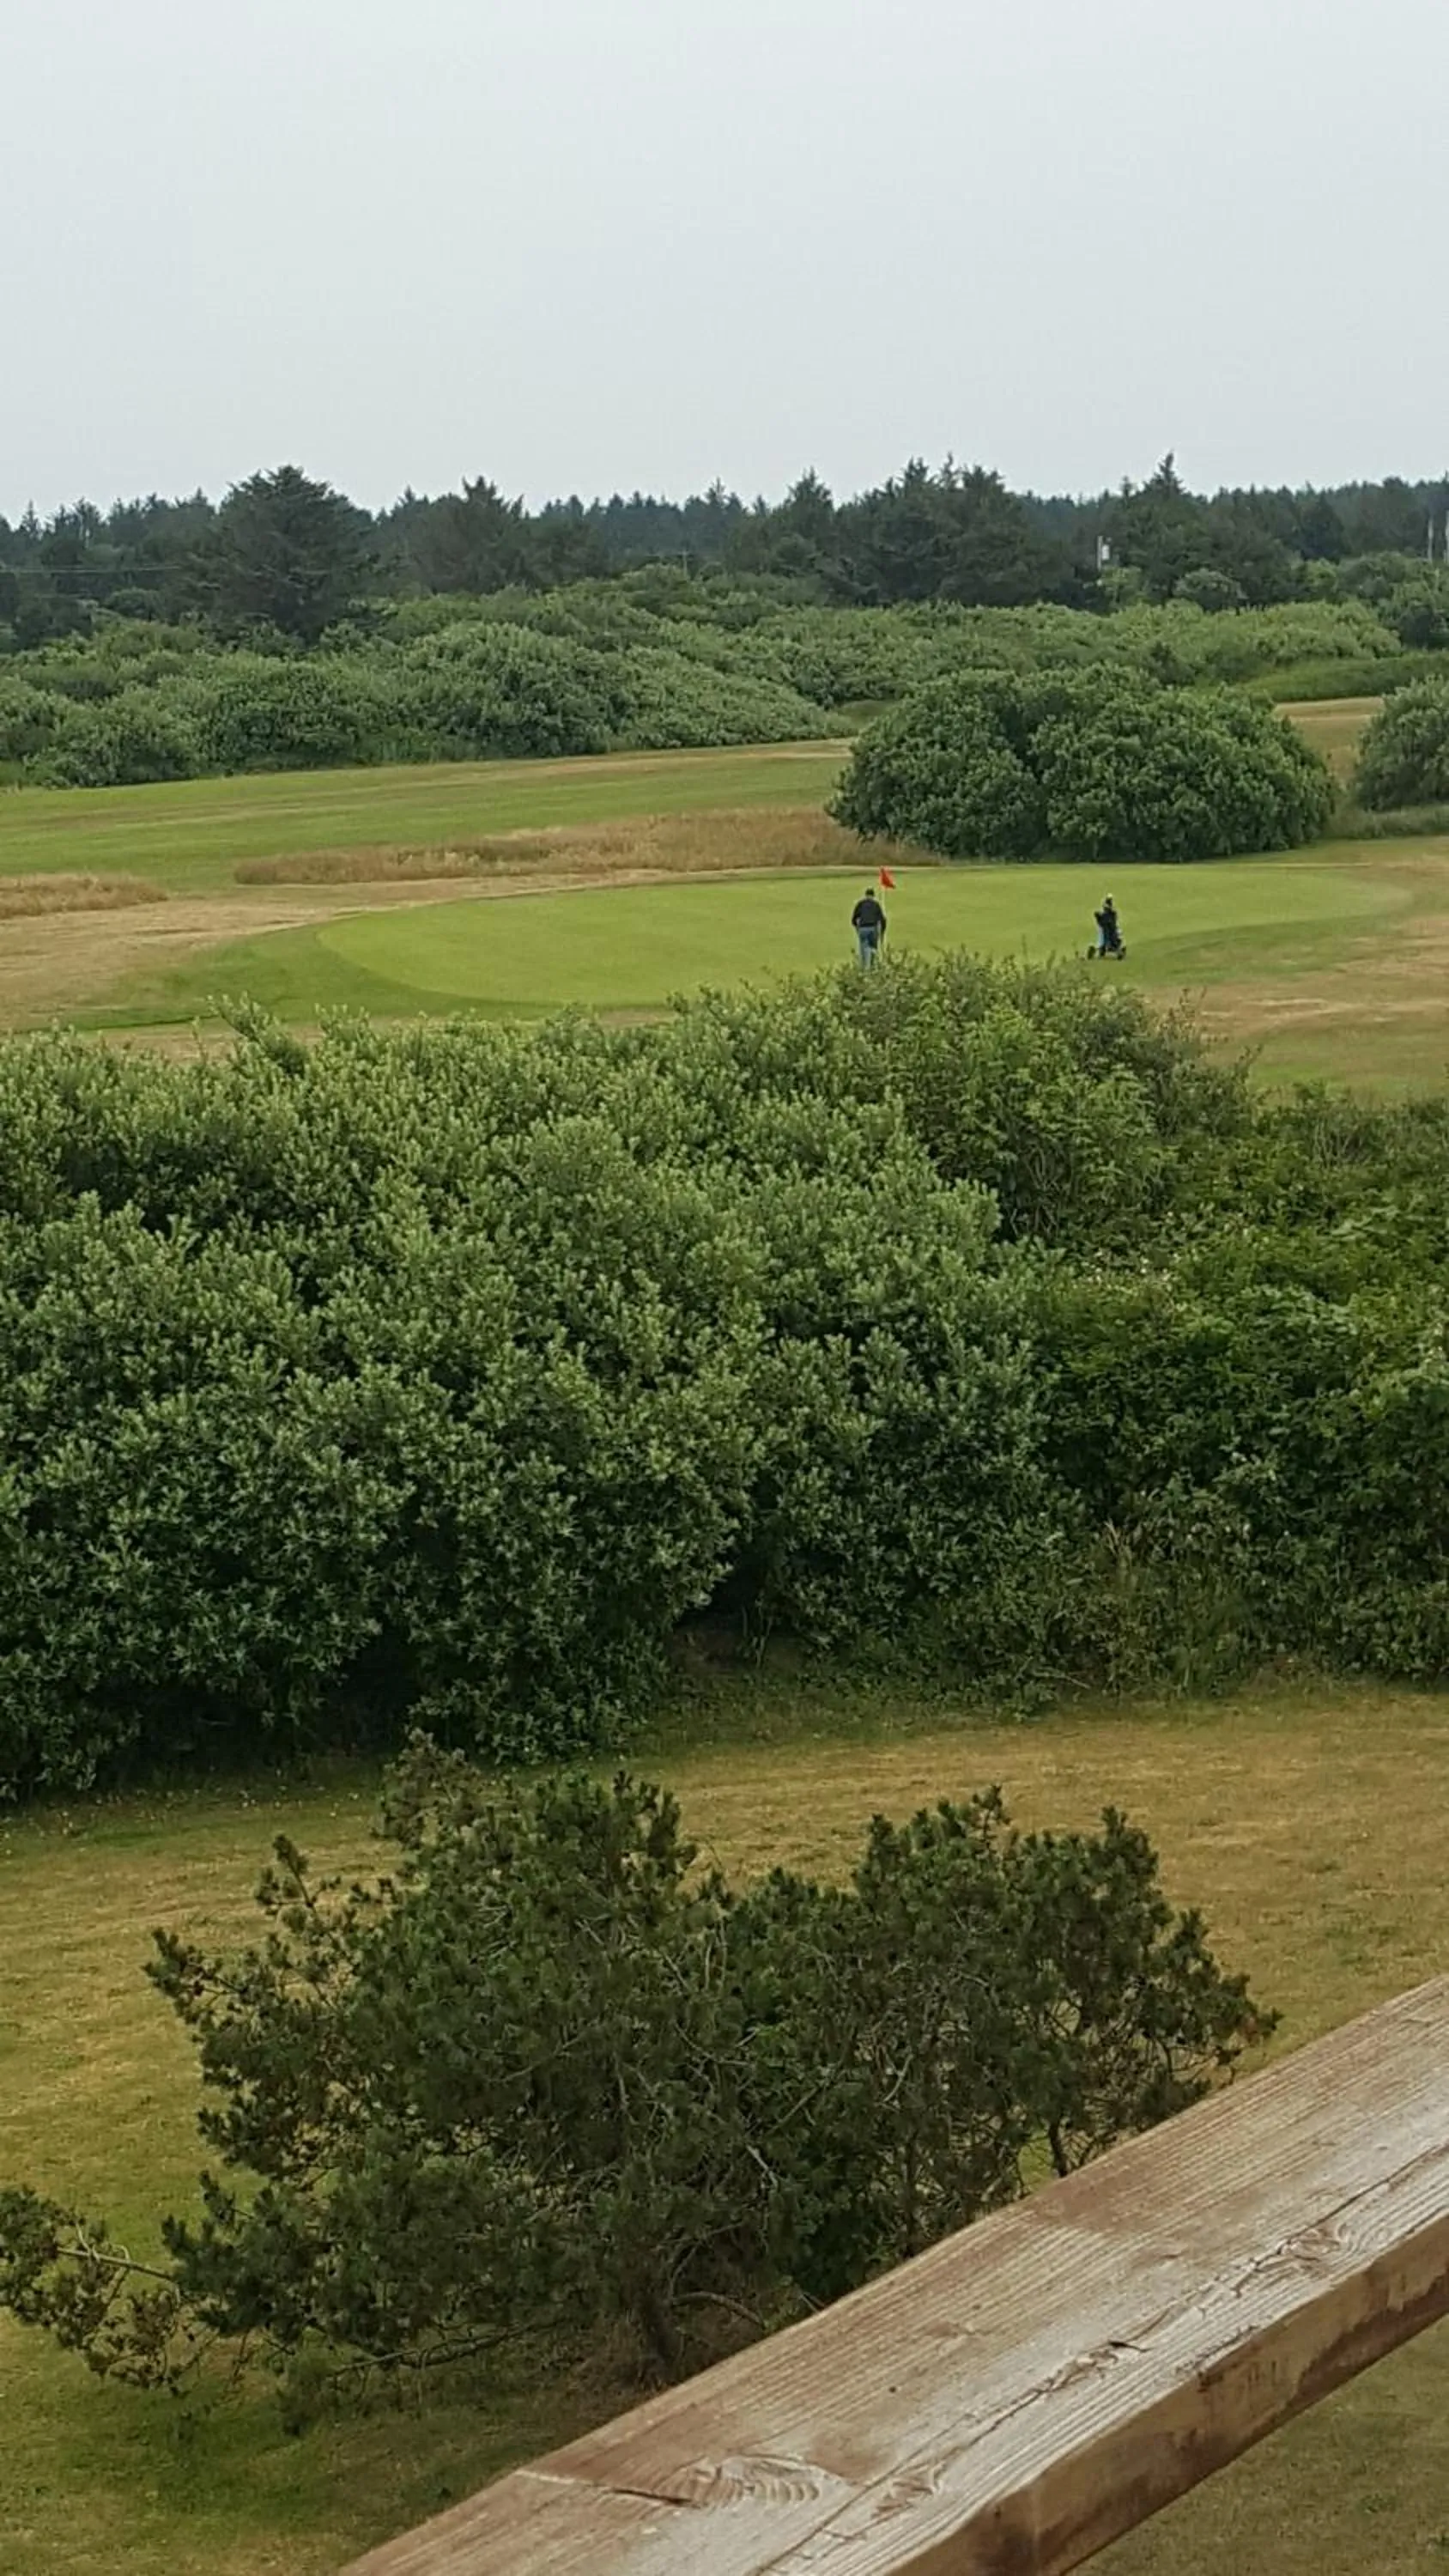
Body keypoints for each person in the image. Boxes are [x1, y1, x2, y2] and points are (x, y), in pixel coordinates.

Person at [852, 884, 887, 967]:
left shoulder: (860, 904)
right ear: (873, 895)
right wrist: (882, 932)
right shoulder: (876, 904)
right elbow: (882, 919)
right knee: (873, 949)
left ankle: (864, 968)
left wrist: (857, 928)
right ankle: (872, 967)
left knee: (863, 950)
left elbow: (853, 919)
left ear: (866, 895)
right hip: (873, 929)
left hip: (863, 929)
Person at [1093, 895, 1125, 959]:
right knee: (1108, 935)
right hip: (1109, 930)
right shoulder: (1110, 914)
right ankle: (1107, 947)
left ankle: (1108, 947)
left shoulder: (1109, 914)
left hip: (1110, 930)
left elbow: (1100, 920)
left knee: (1112, 935)